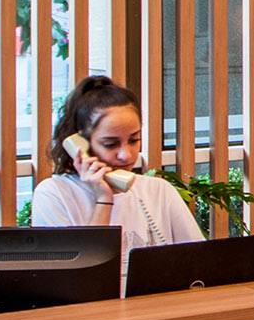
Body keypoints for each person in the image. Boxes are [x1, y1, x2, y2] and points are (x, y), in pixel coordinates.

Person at [29, 74, 204, 277]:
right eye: (110, 144)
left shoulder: (158, 191)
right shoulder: (54, 195)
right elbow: (77, 280)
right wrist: (104, 199)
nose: (126, 155)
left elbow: (200, 264)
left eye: (134, 140)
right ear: (81, 144)